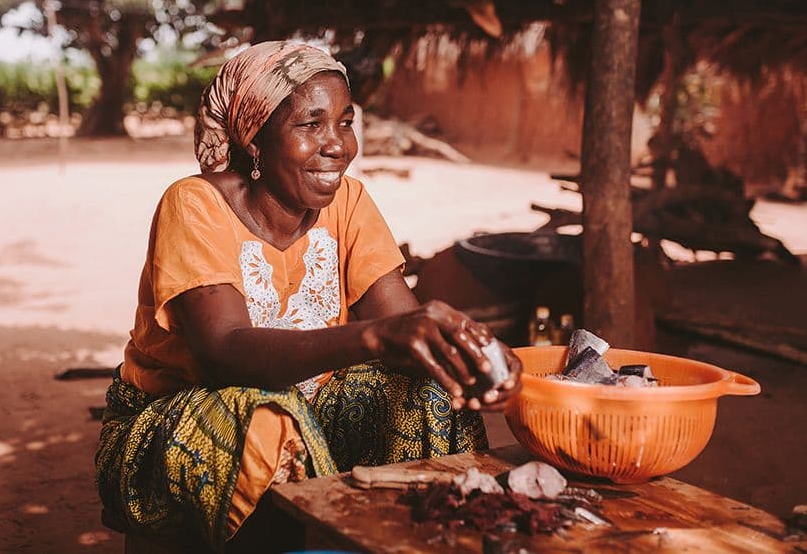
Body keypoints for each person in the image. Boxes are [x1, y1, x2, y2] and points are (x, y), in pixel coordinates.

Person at [95, 41, 522, 550]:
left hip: (316, 414)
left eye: (346, 121)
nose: (338, 145)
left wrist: (469, 358)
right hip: (174, 428)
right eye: (310, 124)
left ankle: (431, 538)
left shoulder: (350, 202)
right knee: (263, 416)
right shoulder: (194, 205)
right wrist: (377, 335)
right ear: (255, 140)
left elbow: (405, 332)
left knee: (427, 391)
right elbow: (225, 350)